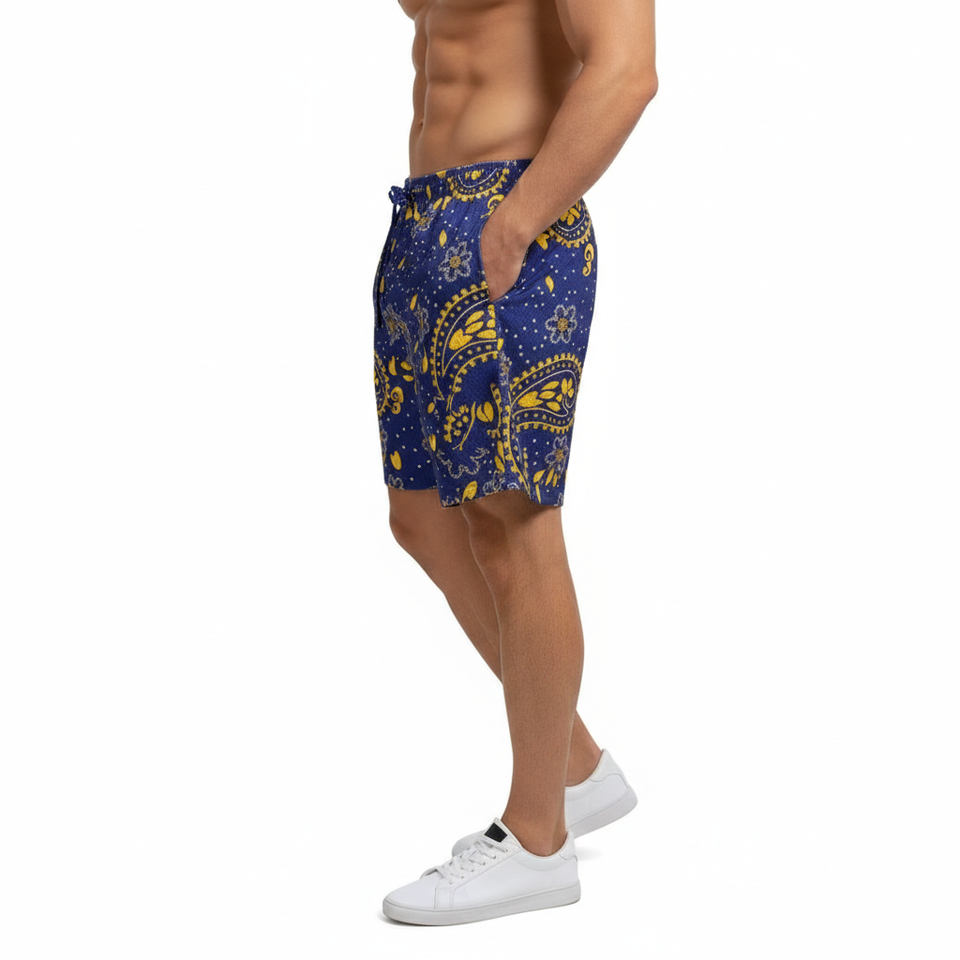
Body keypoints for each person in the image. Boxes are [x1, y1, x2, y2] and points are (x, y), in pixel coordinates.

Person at [373, 0, 658, 925]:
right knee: (422, 518)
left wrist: (517, 222)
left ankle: (538, 841)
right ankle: (574, 766)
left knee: (510, 524)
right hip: (424, 221)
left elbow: (627, 69)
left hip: (510, 220)